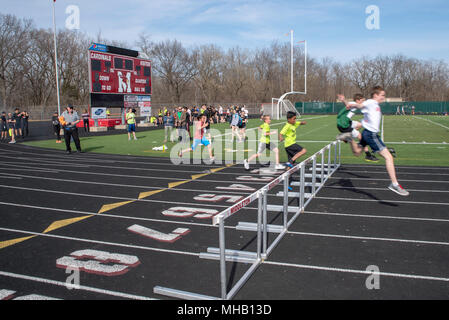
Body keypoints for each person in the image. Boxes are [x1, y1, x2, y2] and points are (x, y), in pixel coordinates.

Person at [338, 86, 409, 196]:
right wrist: (352, 103)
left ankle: (349, 138)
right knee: (388, 157)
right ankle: (394, 184)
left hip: (368, 133)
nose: (384, 97)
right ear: (375, 95)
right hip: (371, 134)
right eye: (382, 95)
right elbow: (360, 105)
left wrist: (347, 102)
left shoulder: (374, 104)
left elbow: (359, 106)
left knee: (357, 152)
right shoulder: (370, 102)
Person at [336, 93, 378, 162]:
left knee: (360, 124)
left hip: (346, 122)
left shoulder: (355, 104)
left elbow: (348, 105)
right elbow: (347, 104)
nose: (363, 102)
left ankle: (346, 136)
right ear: (357, 100)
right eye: (362, 100)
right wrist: (343, 100)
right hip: (344, 125)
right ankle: (368, 155)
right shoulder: (353, 104)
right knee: (361, 137)